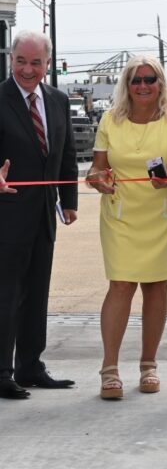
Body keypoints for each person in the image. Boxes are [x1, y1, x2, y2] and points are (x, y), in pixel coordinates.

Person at [86, 56, 167, 400]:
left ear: (160, 83)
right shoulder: (109, 120)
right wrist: (98, 181)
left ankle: (149, 365)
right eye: (136, 80)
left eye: (150, 79)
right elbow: (97, 168)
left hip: (162, 212)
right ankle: (109, 368)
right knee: (121, 285)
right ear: (126, 85)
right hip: (121, 213)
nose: (143, 86)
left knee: (157, 287)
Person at [0, 31, 78, 400]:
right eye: (21, 61)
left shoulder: (58, 101)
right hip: (7, 212)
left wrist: (69, 199)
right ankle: (2, 371)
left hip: (45, 213)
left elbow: (65, 154)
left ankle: (31, 366)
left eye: (35, 62)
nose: (27, 69)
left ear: (48, 63)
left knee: (37, 294)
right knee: (6, 295)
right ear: (11, 58)